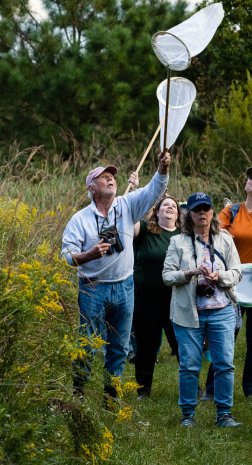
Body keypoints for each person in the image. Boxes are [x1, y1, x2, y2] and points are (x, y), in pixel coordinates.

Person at [61, 152, 171, 404]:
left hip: (124, 286)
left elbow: (154, 190)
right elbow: (66, 255)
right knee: (87, 344)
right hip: (92, 287)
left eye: (112, 177)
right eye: (104, 177)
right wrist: (87, 255)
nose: (111, 179)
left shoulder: (127, 205)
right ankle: (78, 392)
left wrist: (162, 169)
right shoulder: (80, 219)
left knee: (120, 346)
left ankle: (110, 397)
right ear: (92, 188)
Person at [162, 192, 243, 428]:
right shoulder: (177, 242)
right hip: (189, 311)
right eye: (197, 210)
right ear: (189, 215)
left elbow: (237, 273)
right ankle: (187, 415)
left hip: (222, 310)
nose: (202, 213)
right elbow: (167, 276)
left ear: (212, 213)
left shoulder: (226, 240)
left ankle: (224, 414)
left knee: (225, 363)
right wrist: (188, 273)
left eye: (206, 209)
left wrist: (220, 277)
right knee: (189, 365)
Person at [203, 165, 252, 400]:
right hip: (231, 283)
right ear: (245, 185)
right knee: (224, 336)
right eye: (251, 177)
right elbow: (211, 234)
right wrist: (222, 235)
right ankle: (213, 389)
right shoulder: (230, 211)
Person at [131, 195, 182, 398]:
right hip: (145, 298)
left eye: (174, 206)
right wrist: (135, 191)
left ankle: (192, 385)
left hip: (176, 299)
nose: (170, 207)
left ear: (178, 214)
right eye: (165, 205)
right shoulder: (145, 231)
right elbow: (129, 220)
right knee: (145, 345)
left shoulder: (183, 236)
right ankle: (143, 389)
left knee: (181, 343)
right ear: (157, 211)